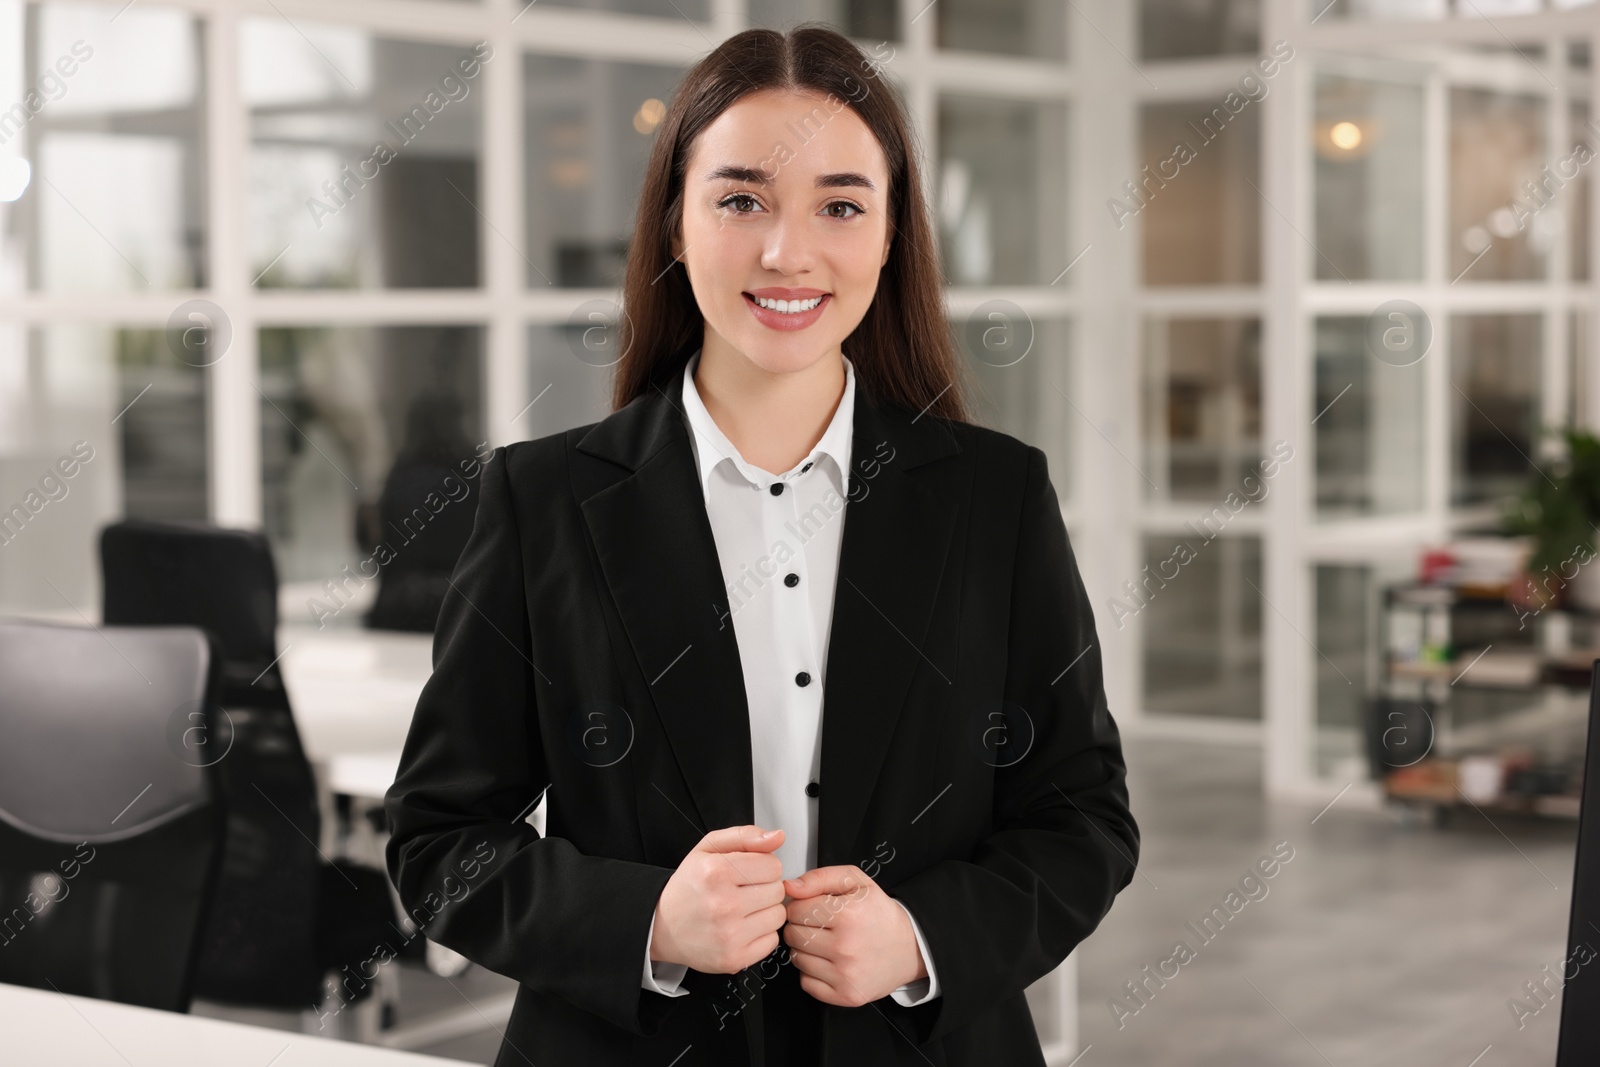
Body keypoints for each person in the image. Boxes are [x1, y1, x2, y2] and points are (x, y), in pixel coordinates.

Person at [383, 23, 1137, 1067]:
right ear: (677, 225)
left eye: (840, 204)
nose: (788, 251)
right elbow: (438, 842)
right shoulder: (542, 498)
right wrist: (646, 917)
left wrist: (921, 936)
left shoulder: (994, 496)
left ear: (889, 235)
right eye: (740, 199)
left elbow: (1081, 816)